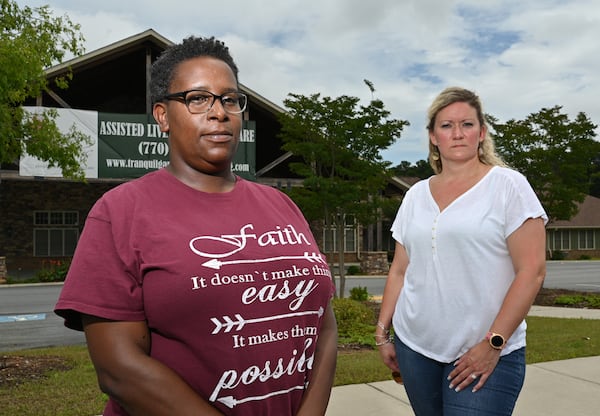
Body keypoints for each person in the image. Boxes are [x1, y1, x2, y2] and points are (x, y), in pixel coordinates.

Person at [55, 35, 337, 416]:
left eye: (229, 99)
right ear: (162, 116)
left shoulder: (281, 205)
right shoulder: (121, 211)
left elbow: (323, 326)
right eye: (198, 98)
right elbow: (118, 369)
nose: (218, 112)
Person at [376, 86, 547, 415]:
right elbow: (400, 270)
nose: (457, 133)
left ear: (481, 133)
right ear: (432, 137)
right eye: (446, 125)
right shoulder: (415, 195)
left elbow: (532, 271)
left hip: (484, 351)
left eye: (467, 124)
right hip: (415, 348)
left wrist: (493, 343)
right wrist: (384, 331)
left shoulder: (508, 186)